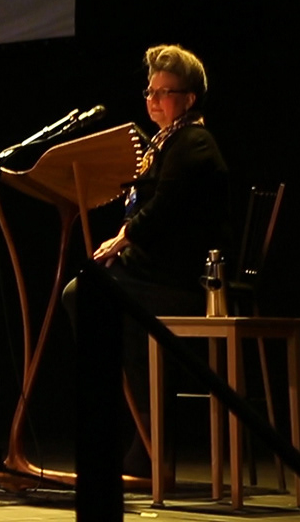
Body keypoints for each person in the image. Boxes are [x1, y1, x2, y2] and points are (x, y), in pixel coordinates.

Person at [63, 43, 232, 477]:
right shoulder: (165, 142)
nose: (153, 100)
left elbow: (164, 208)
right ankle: (141, 435)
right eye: (149, 91)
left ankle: (149, 438)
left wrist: (122, 238)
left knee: (88, 294)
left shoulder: (194, 141)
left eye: (163, 92)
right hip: (150, 273)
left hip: (178, 281)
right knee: (88, 293)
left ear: (188, 99)